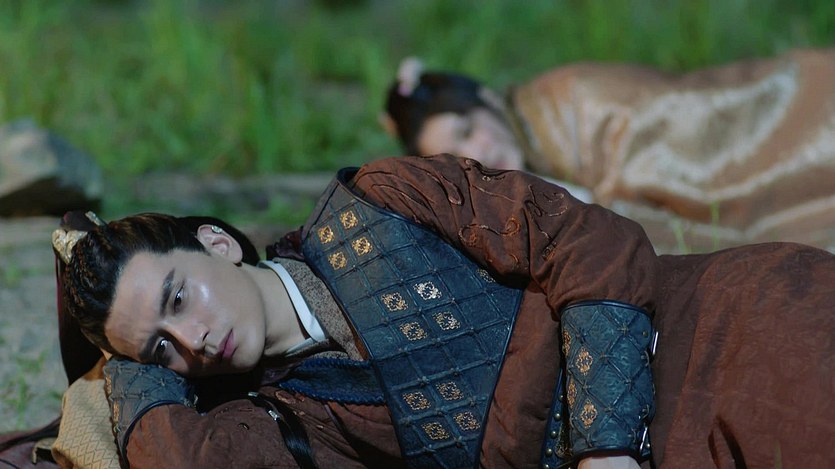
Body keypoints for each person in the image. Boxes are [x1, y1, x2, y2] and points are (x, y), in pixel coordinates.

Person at [55, 154, 834, 468]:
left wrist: (604, 451)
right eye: (161, 348)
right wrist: (123, 357)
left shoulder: (377, 200)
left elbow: (587, 240)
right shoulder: (288, 417)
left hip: (717, 332)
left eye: (177, 297)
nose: (192, 338)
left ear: (219, 243)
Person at [381, 50, 835, 253]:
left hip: (790, 108)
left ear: (488, 100)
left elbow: (683, 136)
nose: (478, 153)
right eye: (458, 156)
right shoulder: (515, 180)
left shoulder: (575, 99)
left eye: (468, 129)